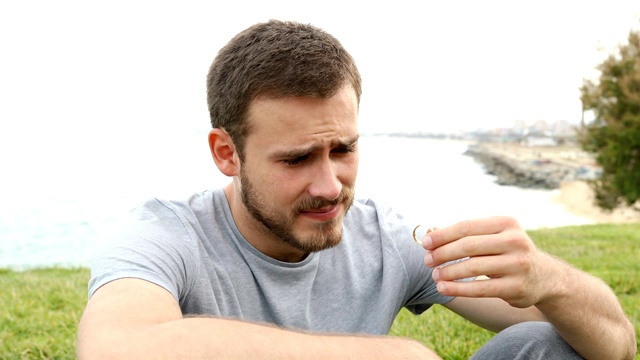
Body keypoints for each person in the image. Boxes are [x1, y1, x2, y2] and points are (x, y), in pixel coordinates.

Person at [77, 20, 636, 359]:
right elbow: (112, 349)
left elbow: (613, 346)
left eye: (342, 150)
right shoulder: (163, 235)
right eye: (296, 158)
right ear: (227, 153)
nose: (329, 185)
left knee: (546, 344)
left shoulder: (386, 237)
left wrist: (552, 282)